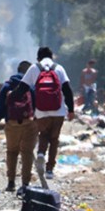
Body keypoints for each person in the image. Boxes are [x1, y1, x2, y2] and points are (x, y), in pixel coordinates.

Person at [21, 47, 75, 180]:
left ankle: (40, 153)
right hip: (58, 111)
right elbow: (67, 90)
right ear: (52, 57)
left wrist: (12, 98)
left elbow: (23, 88)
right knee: (54, 139)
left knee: (43, 134)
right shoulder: (59, 68)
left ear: (38, 58)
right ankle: (49, 169)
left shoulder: (34, 68)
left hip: (41, 110)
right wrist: (71, 109)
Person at [0, 61, 35, 193]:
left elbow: (0, 106)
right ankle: (25, 184)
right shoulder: (30, 85)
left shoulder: (7, 85)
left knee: (12, 152)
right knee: (27, 153)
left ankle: (11, 183)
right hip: (28, 122)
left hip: (12, 123)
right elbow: (36, 104)